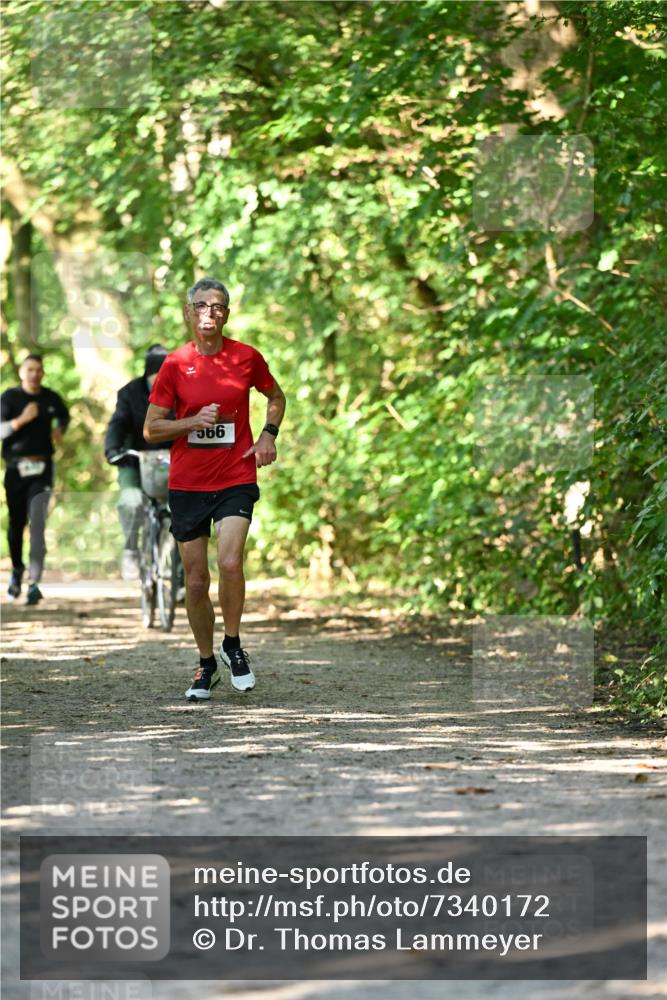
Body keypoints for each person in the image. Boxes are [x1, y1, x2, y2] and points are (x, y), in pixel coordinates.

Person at [144, 278, 286, 701]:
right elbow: (151, 428)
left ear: (226, 313)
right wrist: (190, 423)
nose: (209, 312)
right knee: (196, 576)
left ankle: (233, 644)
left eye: (218, 306)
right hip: (187, 483)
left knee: (229, 561)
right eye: (201, 305)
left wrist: (268, 435)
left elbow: (276, 396)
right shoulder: (174, 364)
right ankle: (206, 664)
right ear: (189, 312)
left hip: (235, 476)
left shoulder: (246, 357)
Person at [1, 354, 70, 605]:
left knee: (38, 520)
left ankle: (34, 582)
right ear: (22, 372)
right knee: (17, 524)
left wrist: (60, 429)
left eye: (39, 370)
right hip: (16, 468)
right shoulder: (9, 398)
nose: (35, 374)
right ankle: (17, 569)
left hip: (42, 468)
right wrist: (21, 420)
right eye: (30, 369)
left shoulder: (50, 397)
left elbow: (65, 414)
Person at [104, 344, 171, 580]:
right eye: (157, 376)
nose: (161, 381)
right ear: (148, 373)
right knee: (131, 501)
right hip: (133, 459)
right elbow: (118, 423)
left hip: (172, 462)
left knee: (184, 510)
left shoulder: (181, 391)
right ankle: (131, 548)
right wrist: (113, 449)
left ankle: (180, 576)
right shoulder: (129, 393)